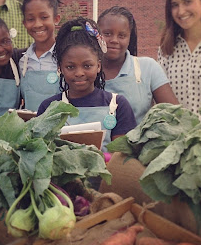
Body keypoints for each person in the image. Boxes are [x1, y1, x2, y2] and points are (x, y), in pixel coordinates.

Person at [37, 17, 137, 152]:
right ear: (60, 68)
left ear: (98, 66)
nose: (79, 73)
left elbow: (121, 157)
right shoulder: (48, 108)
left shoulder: (118, 105)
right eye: (70, 67)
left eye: (87, 65)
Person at [97, 6, 179, 124]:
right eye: (107, 33)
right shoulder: (85, 70)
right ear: (97, 34)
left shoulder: (148, 67)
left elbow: (174, 115)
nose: (114, 40)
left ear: (130, 38)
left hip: (139, 142)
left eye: (122, 35)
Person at [19, 0, 62, 111]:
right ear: (24, 23)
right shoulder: (22, 61)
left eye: (44, 17)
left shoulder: (65, 57)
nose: (37, 24)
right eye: (31, 19)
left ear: (56, 19)